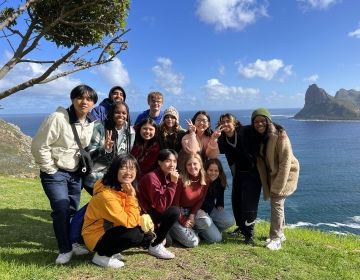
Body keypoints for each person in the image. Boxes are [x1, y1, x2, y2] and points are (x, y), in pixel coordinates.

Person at [31, 85, 98, 264]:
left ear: (93, 103)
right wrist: (50, 169)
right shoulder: (57, 118)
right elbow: (39, 146)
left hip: (75, 173)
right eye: (80, 97)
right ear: (73, 99)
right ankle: (64, 248)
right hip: (55, 172)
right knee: (61, 209)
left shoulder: (90, 121)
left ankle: (72, 241)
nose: (84, 102)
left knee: (71, 210)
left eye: (89, 99)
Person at [82, 154, 147, 268]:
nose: (128, 172)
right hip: (96, 237)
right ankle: (102, 256)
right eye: (123, 168)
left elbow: (132, 215)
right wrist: (131, 196)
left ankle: (113, 251)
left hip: (110, 229)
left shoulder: (122, 187)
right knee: (135, 234)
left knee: (143, 230)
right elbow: (129, 221)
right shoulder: (106, 195)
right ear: (114, 170)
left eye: (132, 168)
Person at [251, 108, 300, 251]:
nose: (259, 124)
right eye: (256, 121)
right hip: (274, 174)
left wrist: (278, 186)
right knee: (279, 205)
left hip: (285, 175)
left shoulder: (280, 136)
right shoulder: (261, 137)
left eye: (262, 121)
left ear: (268, 121)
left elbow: (286, 162)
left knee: (276, 204)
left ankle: (276, 238)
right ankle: (281, 234)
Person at [217, 113, 262, 245]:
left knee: (249, 205)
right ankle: (241, 228)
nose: (225, 124)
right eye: (222, 122)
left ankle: (249, 234)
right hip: (238, 174)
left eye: (228, 121)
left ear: (235, 123)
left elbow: (262, 129)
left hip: (253, 174)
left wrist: (279, 130)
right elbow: (216, 148)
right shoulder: (223, 139)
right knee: (237, 202)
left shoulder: (246, 131)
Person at [83, 101, 135, 195]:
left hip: (116, 178)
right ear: (111, 113)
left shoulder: (130, 132)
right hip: (95, 177)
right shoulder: (100, 127)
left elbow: (126, 156)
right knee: (104, 203)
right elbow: (89, 154)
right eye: (117, 112)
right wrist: (104, 149)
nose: (121, 115)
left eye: (124, 113)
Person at [138, 149, 180, 259]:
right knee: (174, 211)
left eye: (174, 161)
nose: (172, 164)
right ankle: (154, 245)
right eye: (168, 161)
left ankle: (149, 240)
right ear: (159, 162)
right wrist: (173, 184)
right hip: (143, 217)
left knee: (168, 241)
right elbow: (161, 206)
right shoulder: (152, 178)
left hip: (153, 215)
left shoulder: (167, 177)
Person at [170, 153, 210, 247]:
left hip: (191, 211)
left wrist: (192, 215)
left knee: (211, 231)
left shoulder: (205, 180)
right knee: (193, 242)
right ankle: (173, 230)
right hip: (178, 213)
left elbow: (200, 200)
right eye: (189, 164)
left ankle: (189, 231)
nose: (192, 167)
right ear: (186, 167)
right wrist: (183, 220)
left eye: (195, 164)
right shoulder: (181, 180)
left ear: (200, 165)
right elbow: (175, 204)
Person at [200, 158, 235, 242]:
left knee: (230, 220)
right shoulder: (201, 181)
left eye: (216, 171)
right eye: (210, 170)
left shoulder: (219, 181)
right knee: (217, 239)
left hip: (210, 210)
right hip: (200, 212)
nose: (213, 173)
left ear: (219, 172)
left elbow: (220, 197)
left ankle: (210, 230)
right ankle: (201, 232)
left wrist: (220, 205)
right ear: (205, 170)